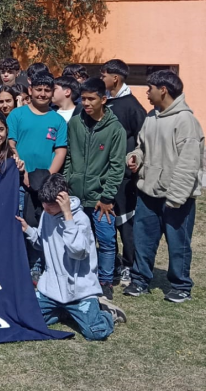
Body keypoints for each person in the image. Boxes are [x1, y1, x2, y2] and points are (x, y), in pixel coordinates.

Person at [124, 70, 204, 303]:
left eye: (150, 88)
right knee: (143, 240)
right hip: (148, 193)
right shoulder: (151, 117)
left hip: (177, 198)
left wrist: (176, 198)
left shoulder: (186, 121)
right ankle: (140, 280)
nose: (147, 92)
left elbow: (189, 164)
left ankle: (181, 286)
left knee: (178, 244)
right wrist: (136, 157)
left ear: (164, 90)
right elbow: (141, 147)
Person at [16, 174, 126, 341]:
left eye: (51, 204)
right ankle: (64, 312)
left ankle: (107, 313)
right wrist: (28, 230)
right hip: (51, 290)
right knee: (25, 319)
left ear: (63, 200)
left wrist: (68, 217)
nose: (46, 208)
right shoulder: (47, 214)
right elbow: (43, 243)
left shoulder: (80, 220)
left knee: (95, 333)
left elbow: (77, 252)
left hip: (79, 292)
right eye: (44, 203)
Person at [64, 78, 127, 300]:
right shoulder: (74, 124)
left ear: (104, 99)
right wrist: (67, 183)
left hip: (101, 199)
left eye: (92, 99)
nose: (87, 103)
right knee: (77, 240)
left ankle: (105, 281)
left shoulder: (115, 129)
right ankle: (80, 277)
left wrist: (107, 196)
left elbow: (117, 166)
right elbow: (68, 157)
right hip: (76, 197)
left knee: (106, 240)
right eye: (83, 99)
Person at [100, 59, 148, 285]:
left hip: (124, 179)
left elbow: (143, 139)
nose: (102, 79)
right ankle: (115, 263)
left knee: (125, 223)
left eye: (104, 75)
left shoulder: (132, 106)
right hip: (104, 174)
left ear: (115, 78)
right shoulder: (106, 101)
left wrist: (135, 161)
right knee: (107, 221)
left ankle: (131, 264)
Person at [7, 73, 68, 215]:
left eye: (47, 90)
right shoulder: (17, 114)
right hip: (19, 180)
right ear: (30, 90)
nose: (42, 94)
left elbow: (60, 152)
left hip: (45, 182)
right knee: (19, 223)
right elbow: (11, 145)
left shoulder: (58, 120)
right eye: (38, 89)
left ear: (52, 93)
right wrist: (24, 172)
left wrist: (46, 178)